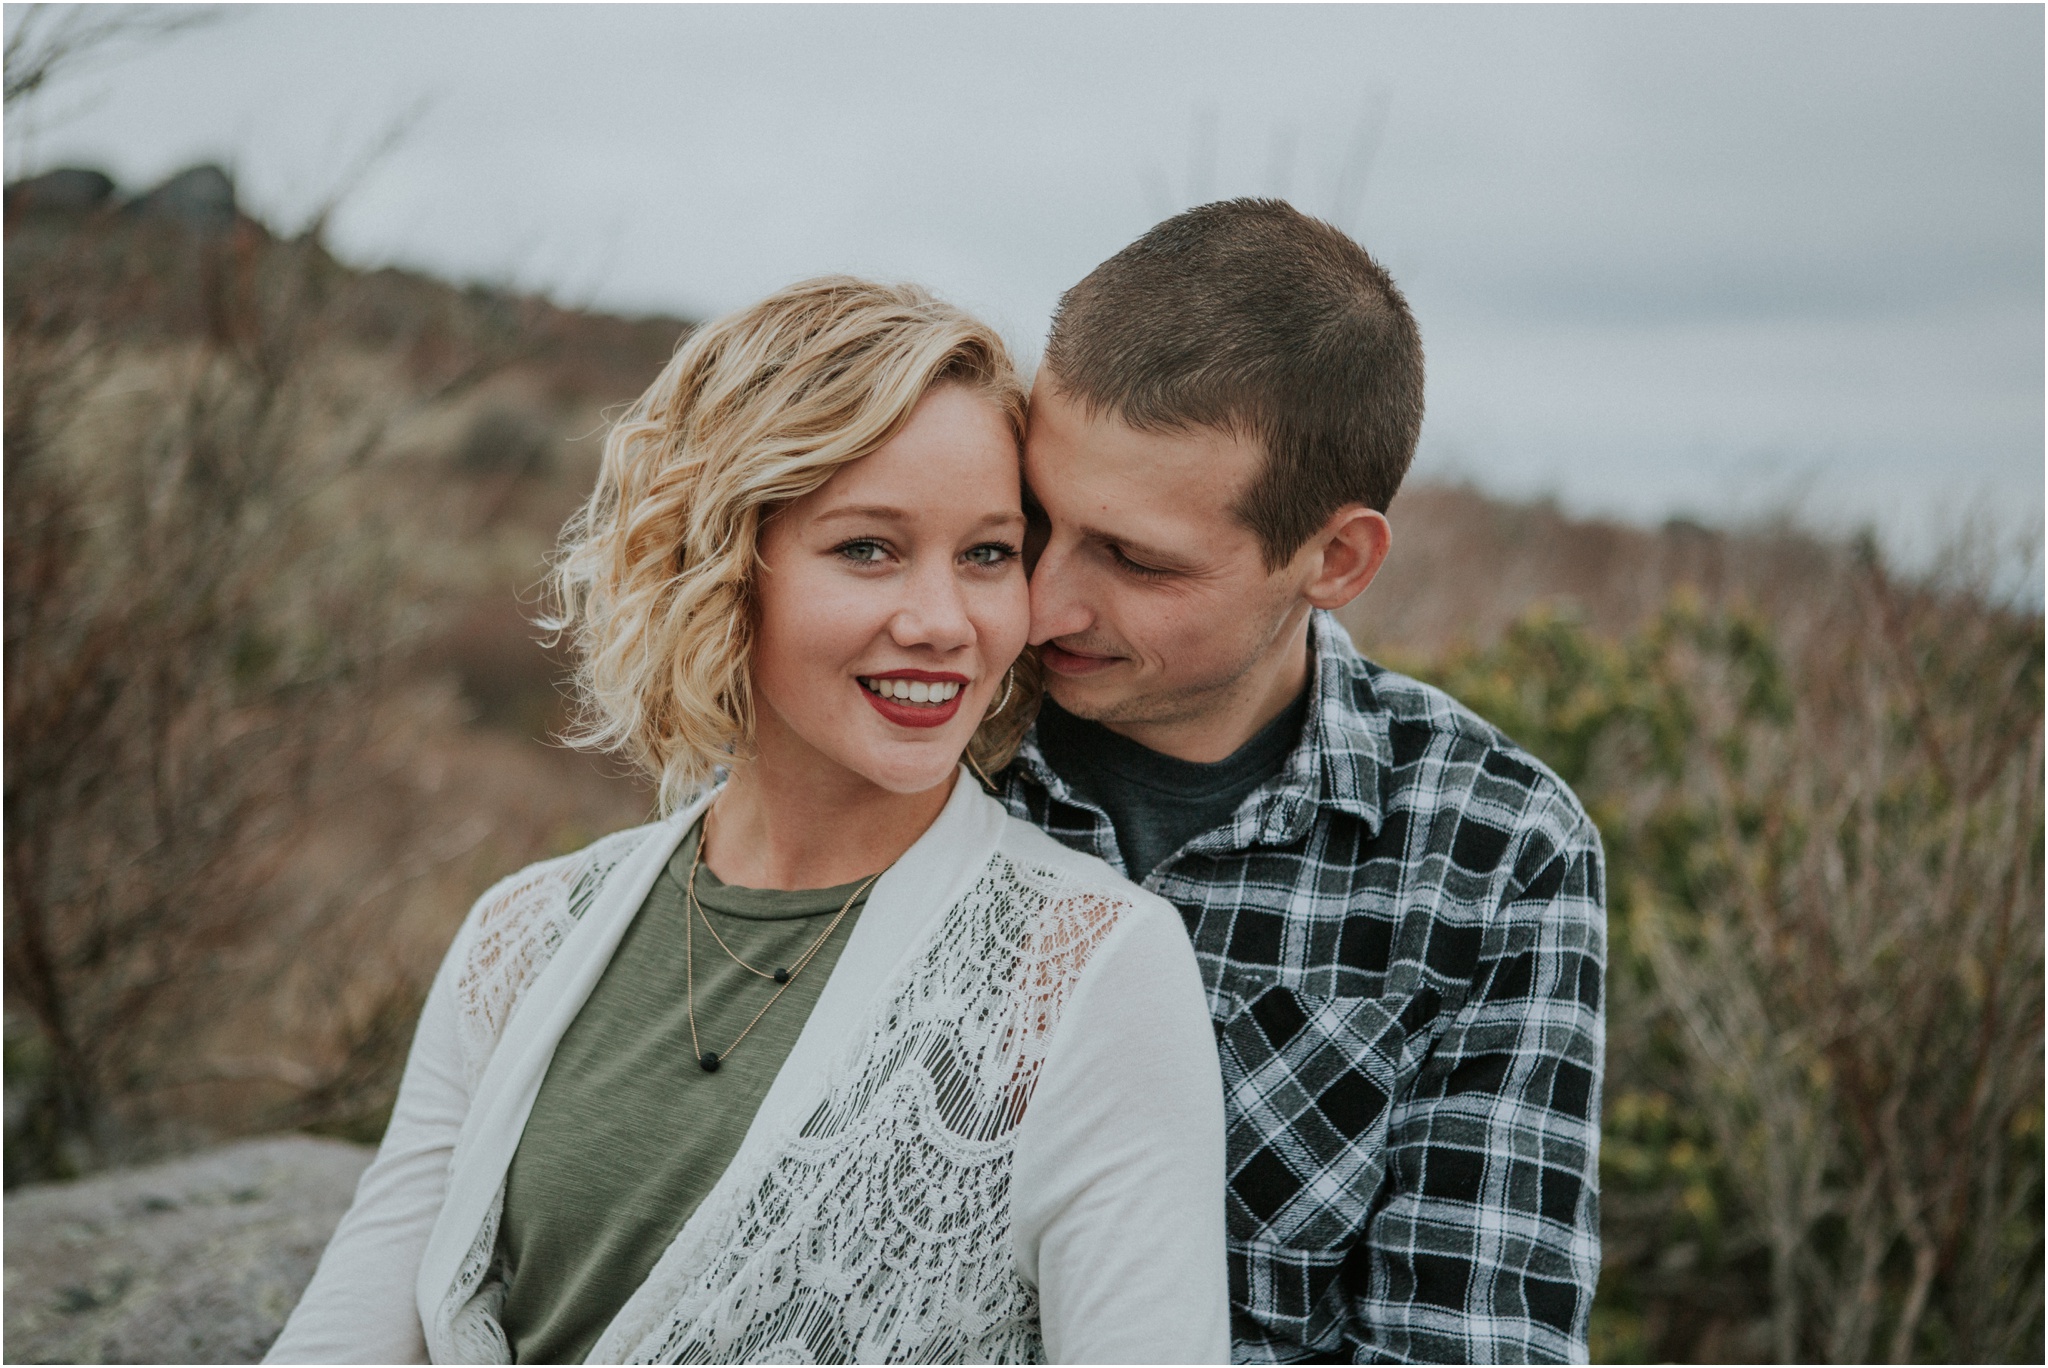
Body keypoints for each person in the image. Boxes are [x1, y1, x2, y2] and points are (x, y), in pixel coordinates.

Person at [267, 278, 1228, 1365]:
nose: (941, 622)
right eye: (866, 548)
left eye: (987, 555)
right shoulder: (520, 936)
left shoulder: (1090, 968)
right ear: (724, 568)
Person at [1001, 200, 1606, 1363]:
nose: (1040, 604)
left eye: (1133, 558)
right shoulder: (909, 735)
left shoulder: (1494, 850)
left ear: (1335, 560)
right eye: (1032, 521)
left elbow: (1463, 1342)